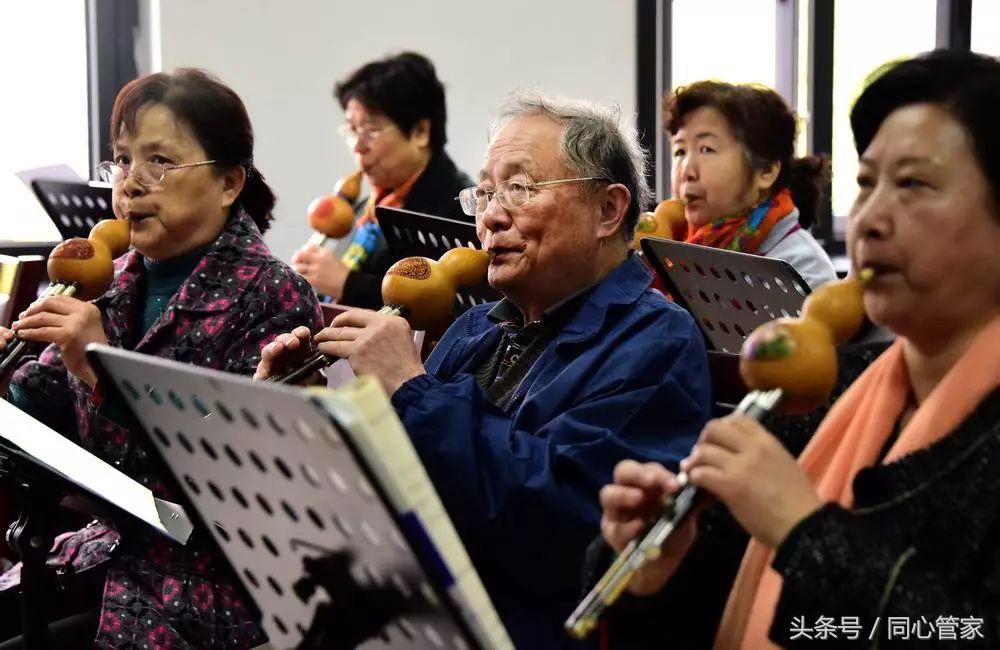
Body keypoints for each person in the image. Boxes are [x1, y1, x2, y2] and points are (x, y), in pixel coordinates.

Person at [257, 91, 712, 647]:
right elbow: (386, 487)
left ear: (608, 210)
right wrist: (305, 408)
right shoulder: (479, 327)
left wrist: (410, 386)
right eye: (487, 192)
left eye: (520, 189)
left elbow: (561, 527)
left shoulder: (655, 340)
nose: (491, 216)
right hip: (406, 610)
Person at [594, 49, 1000, 648]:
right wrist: (661, 570)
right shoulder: (816, 389)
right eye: (866, 184)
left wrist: (804, 532)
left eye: (912, 184)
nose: (868, 221)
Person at [0, 68, 323, 648]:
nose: (131, 183)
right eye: (122, 161)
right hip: (110, 554)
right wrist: (10, 382)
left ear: (229, 183)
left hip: (209, 584)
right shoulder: (117, 276)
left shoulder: (274, 294)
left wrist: (100, 367)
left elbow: (222, 490)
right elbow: (42, 410)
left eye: (159, 163)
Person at [291, 51, 473, 308]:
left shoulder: (456, 211)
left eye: (371, 130)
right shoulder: (365, 209)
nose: (357, 146)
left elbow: (448, 307)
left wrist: (348, 284)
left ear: (420, 132)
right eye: (352, 130)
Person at [665, 81, 837, 289]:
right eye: (680, 152)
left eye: (706, 149)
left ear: (765, 171)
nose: (686, 171)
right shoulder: (671, 249)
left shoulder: (804, 270)